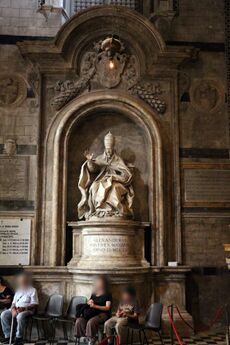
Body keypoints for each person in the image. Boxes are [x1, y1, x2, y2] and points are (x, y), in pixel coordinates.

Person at [1, 272, 39, 345]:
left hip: (27, 310)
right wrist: (13, 310)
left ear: (27, 281)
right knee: (3, 315)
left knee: (20, 316)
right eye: (21, 282)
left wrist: (24, 308)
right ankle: (8, 336)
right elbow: (13, 302)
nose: (22, 283)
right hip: (16, 309)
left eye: (23, 281)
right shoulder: (18, 290)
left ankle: (19, 337)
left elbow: (35, 304)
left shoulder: (32, 290)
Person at [75, 275, 112, 345]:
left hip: (103, 314)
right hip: (92, 313)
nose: (99, 284)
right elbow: (89, 301)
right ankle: (87, 337)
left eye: (100, 283)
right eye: (97, 283)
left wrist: (95, 306)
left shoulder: (108, 294)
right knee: (79, 321)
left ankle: (91, 338)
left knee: (91, 322)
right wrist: (89, 302)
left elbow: (107, 308)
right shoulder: (94, 293)